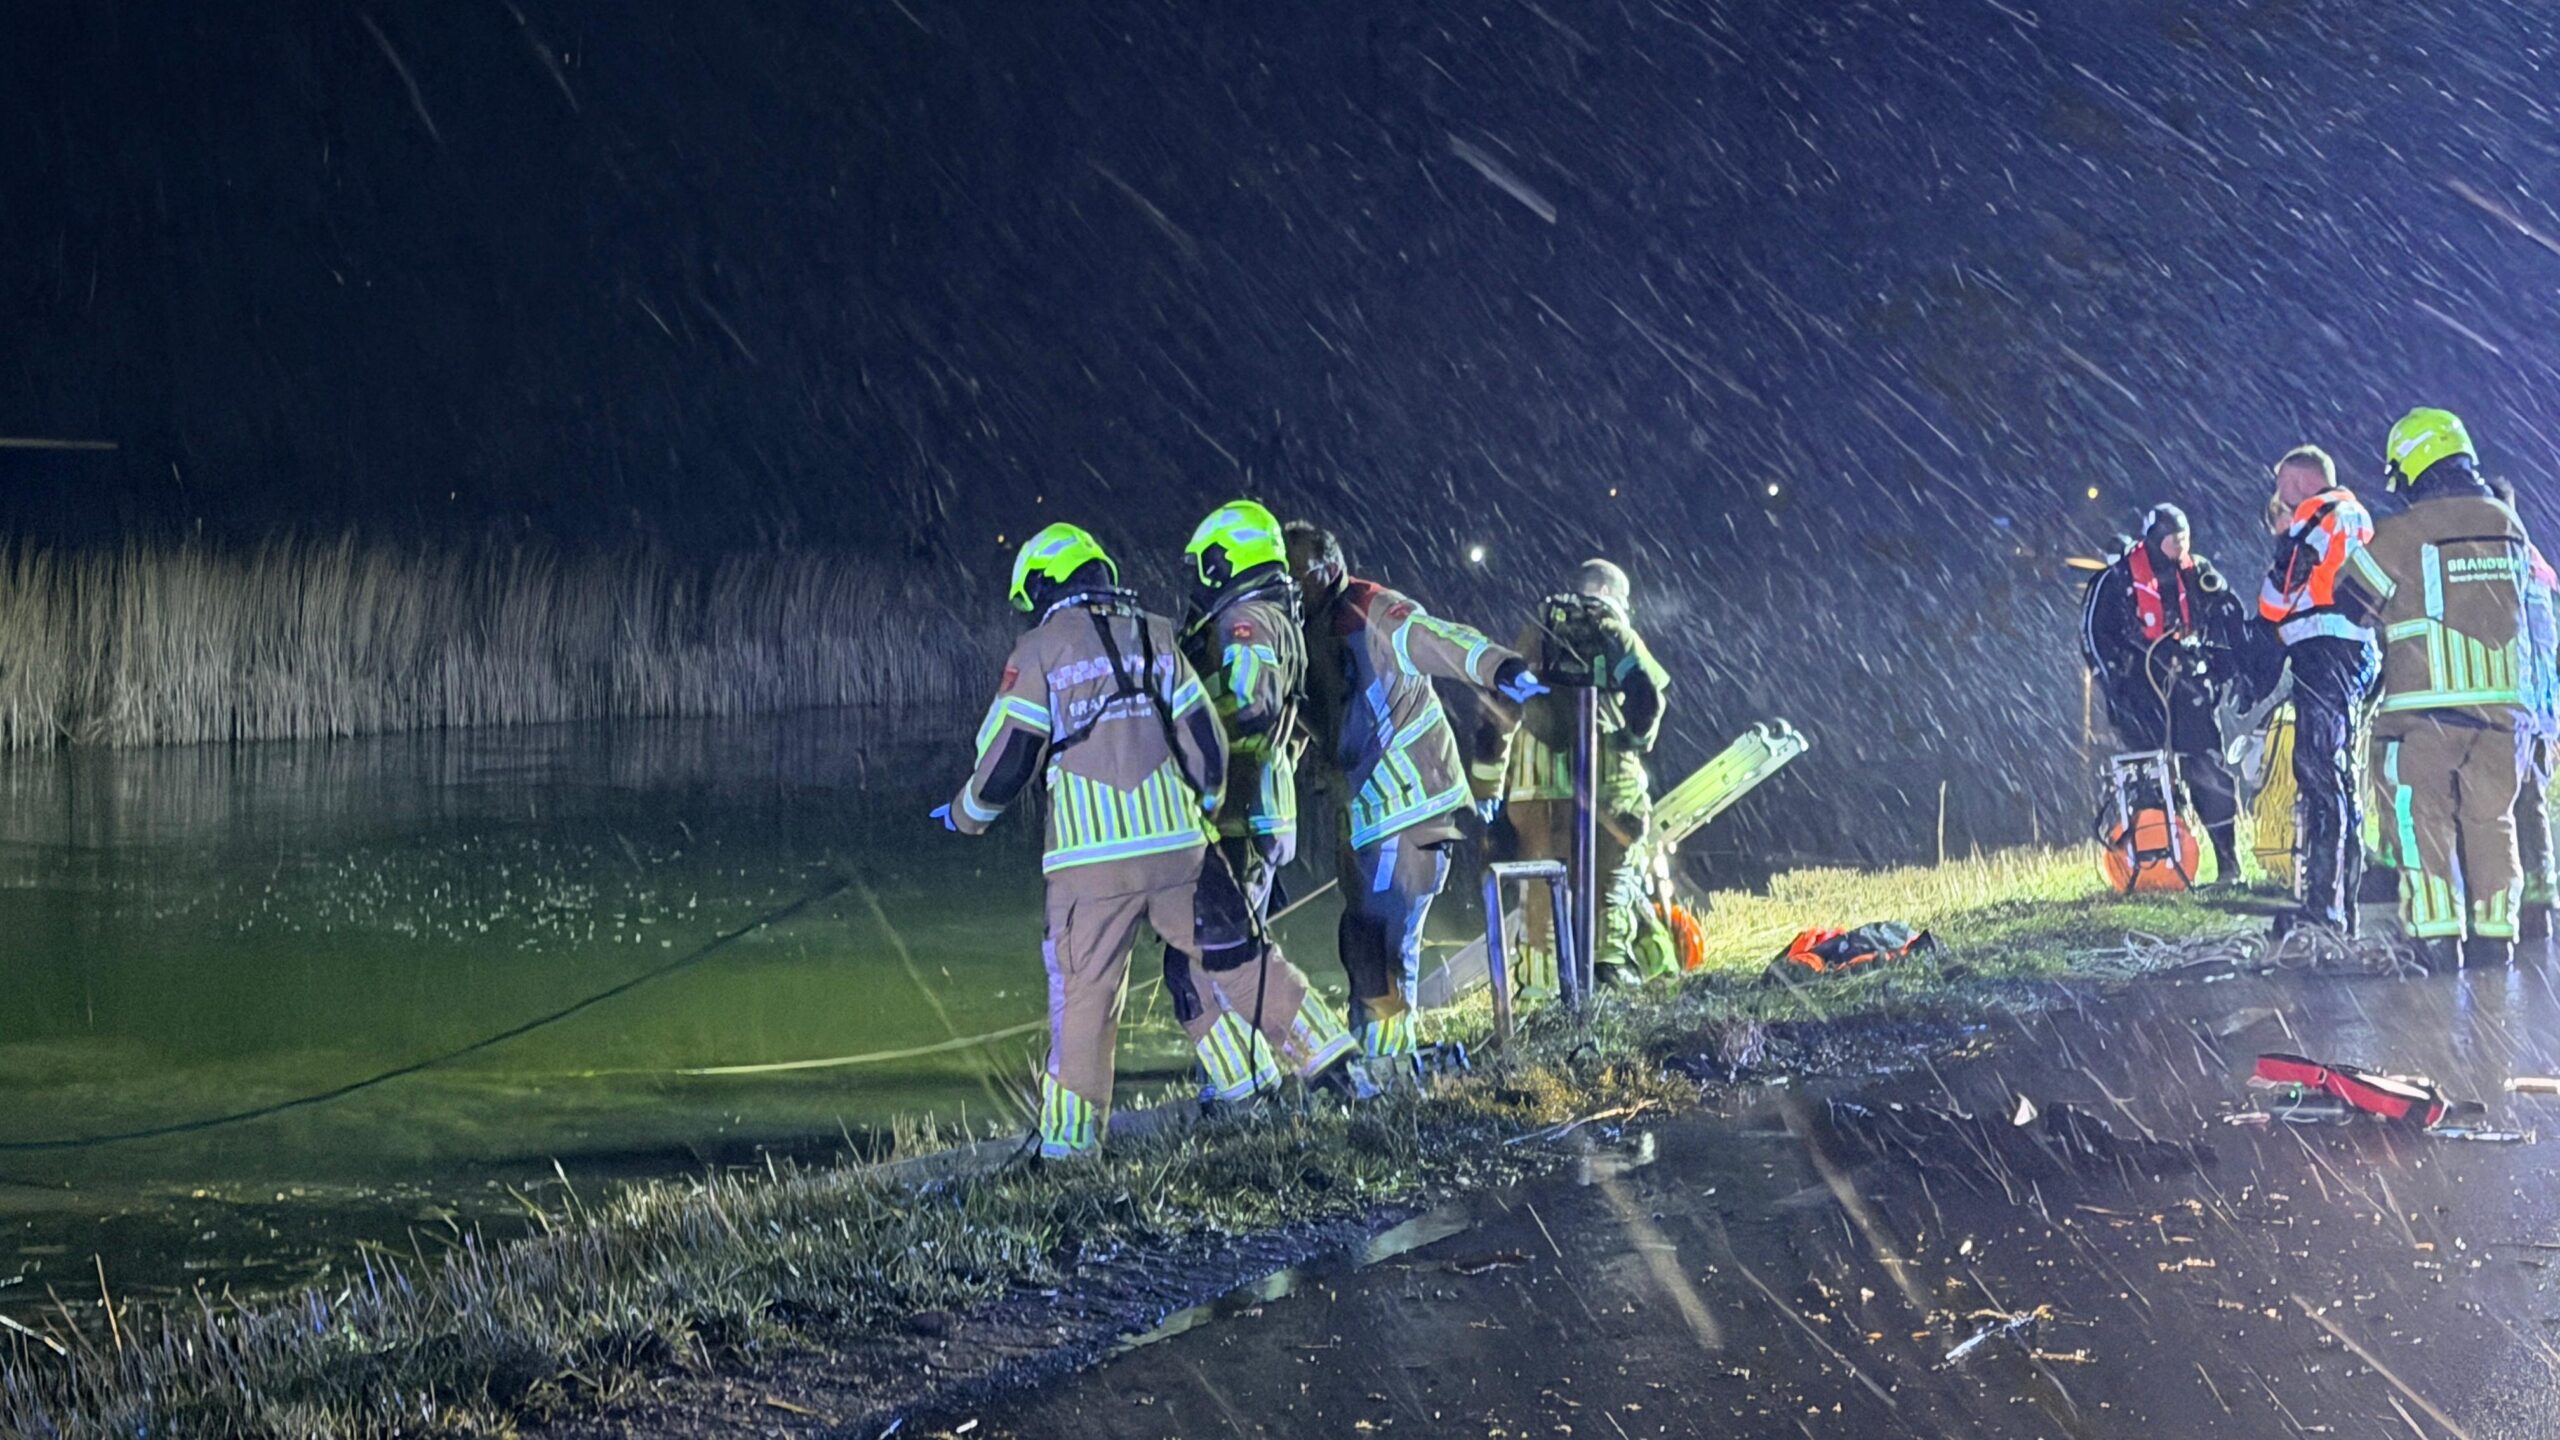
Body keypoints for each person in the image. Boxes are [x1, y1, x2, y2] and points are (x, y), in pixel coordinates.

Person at [937, 522, 1230, 1156]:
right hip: (1180, 846)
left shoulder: (1043, 647)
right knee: (1214, 966)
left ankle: (1071, 1145)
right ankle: (1250, 1088)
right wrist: (1205, 806)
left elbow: (1011, 755)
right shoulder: (1154, 634)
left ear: (1044, 584)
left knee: (1085, 1000)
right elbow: (1206, 744)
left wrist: (966, 814)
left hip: (1089, 863)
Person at [1284, 521, 1544, 1059]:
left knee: (1375, 939)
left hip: (1412, 804)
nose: (1289, 585)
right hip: (1370, 811)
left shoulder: (1371, 609)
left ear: (1329, 569)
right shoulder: (1304, 628)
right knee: (1369, 938)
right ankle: (1384, 1055)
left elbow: (1437, 639)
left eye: (1297, 573)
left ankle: (1384, 1062)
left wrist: (1500, 667)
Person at [1167, 499, 1358, 1102]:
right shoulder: (1264, 614)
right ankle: (1247, 1089)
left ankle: (1325, 1068)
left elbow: (1249, 702)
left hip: (1240, 816)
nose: (1203, 574)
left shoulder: (1248, 616)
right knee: (1202, 964)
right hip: (1242, 814)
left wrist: (1173, 725)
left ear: (1235, 555)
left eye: (1210, 561)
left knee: (1225, 961)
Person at [2341, 409, 2535, 969]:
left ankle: (2437, 940)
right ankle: (2496, 940)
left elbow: (2351, 599)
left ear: (2415, 463)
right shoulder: (2506, 522)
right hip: (2502, 712)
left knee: (2419, 818)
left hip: (2425, 711)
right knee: (2492, 822)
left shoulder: (2407, 529)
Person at [1498, 559, 1672, 990]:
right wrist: (1633, 739)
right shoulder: (1612, 627)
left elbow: (1503, 693)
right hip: (1602, 770)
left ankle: (1540, 983)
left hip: (1534, 774)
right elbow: (1647, 695)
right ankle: (1606, 968)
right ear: (1608, 591)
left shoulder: (1538, 624)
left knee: (1539, 877)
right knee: (1614, 863)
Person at [2078, 503, 2245, 884]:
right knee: (2147, 777)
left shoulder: (2198, 573)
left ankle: (2228, 864)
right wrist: (2113, 684)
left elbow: (2229, 617)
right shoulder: (2117, 580)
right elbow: (2093, 634)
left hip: (2189, 684)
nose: (2180, 548)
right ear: (2154, 540)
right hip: (2139, 687)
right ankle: (2154, 868)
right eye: (2173, 541)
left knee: (2207, 767)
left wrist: (2227, 666)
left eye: (2184, 540)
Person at [2257, 445, 2382, 933]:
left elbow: (2274, 599)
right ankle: (2333, 905)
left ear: (2303, 484)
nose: (2279, 495)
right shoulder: (2347, 516)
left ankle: (2325, 910)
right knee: (2329, 774)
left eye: (2284, 484)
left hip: (2329, 653)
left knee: (2321, 775)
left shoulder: (2322, 514)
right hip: (2343, 652)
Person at [2490, 478, 2559, 940]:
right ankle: (2541, 898)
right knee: (2527, 800)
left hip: (2505, 700)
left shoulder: (2500, 559)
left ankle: (2521, 902)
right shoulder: (2533, 563)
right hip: (2531, 703)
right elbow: (2547, 646)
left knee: (2504, 802)